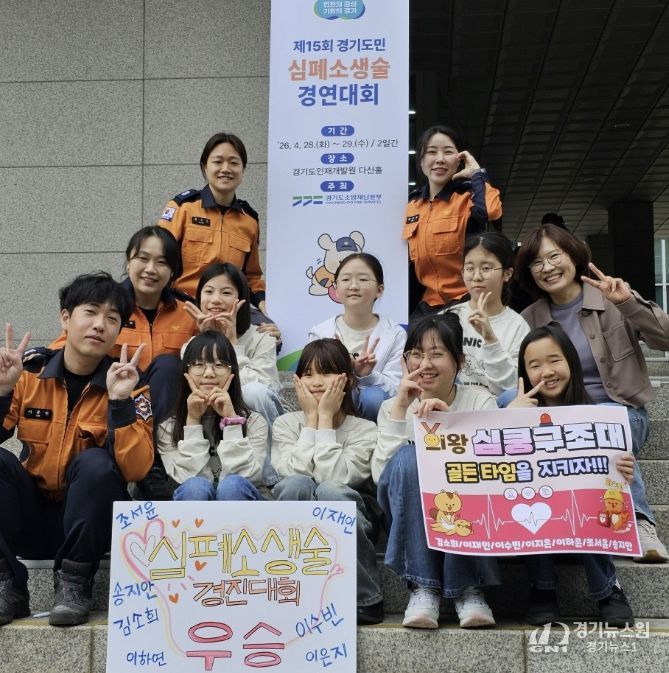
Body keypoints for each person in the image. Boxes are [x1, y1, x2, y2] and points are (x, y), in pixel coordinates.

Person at [0, 272, 153, 627]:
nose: (100, 325)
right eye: (91, 312)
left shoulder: (129, 384)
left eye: (112, 319)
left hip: (88, 528)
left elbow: (136, 470)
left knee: (97, 464)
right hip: (32, 518)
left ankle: (74, 585)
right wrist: (3, 391)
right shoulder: (29, 373)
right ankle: (7, 585)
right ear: (66, 318)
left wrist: (119, 403)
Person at [515, 222, 669, 563]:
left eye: (554, 256)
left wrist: (628, 303)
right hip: (561, 418)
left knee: (608, 427)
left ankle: (640, 522)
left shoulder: (611, 299)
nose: (547, 267)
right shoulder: (529, 319)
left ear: (574, 256)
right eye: (536, 262)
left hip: (622, 412)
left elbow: (665, 338)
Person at [375, 313, 499, 629]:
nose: (425, 364)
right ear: (404, 361)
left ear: (459, 361)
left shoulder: (480, 401)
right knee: (407, 457)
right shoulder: (392, 406)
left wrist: (449, 428)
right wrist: (401, 409)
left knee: (459, 466)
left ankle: (467, 588)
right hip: (411, 513)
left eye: (436, 354)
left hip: (467, 514)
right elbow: (381, 477)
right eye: (416, 354)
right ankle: (423, 586)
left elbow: (493, 472)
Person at [509, 323, 636, 626]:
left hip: (581, 523)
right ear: (524, 373)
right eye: (535, 365)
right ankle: (543, 588)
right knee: (531, 498)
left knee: (594, 494)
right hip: (533, 519)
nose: (547, 372)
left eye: (554, 360)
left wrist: (622, 473)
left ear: (571, 361)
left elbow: (614, 484)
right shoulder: (512, 409)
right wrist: (509, 417)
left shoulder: (598, 417)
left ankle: (608, 590)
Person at [270, 339, 383, 625]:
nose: (317, 382)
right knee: (296, 485)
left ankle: (366, 597)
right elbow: (291, 472)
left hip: (356, 515)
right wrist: (311, 420)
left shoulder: (365, 429)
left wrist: (324, 421)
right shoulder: (285, 424)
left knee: (330, 489)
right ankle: (288, 591)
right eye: (308, 374)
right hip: (300, 510)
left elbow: (335, 478)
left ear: (347, 379)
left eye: (326, 372)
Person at [157, 132, 280, 344]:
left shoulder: (249, 220)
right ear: (205, 167)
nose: (226, 169)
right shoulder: (183, 207)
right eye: (218, 162)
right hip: (185, 305)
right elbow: (159, 259)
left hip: (230, 308)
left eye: (234, 162)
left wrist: (264, 308)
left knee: (271, 338)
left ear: (243, 169)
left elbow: (251, 276)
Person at [184, 263, 284, 486]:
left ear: (242, 299)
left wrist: (231, 343)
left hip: (257, 418)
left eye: (226, 292)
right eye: (209, 291)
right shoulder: (191, 345)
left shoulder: (262, 337)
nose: (215, 300)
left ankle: (269, 476)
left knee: (254, 392)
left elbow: (263, 390)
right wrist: (207, 344)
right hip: (214, 418)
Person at [156, 331, 269, 501]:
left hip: (245, 511)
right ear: (186, 371)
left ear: (232, 371)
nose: (209, 373)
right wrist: (193, 423)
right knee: (195, 487)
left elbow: (247, 477)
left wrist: (232, 422)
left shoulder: (255, 422)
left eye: (219, 364)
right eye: (198, 364)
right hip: (193, 512)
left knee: (232, 486)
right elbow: (186, 480)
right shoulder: (168, 427)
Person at [403, 125, 502, 319]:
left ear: (459, 160)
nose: (440, 159)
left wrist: (477, 173)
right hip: (426, 304)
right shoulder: (412, 205)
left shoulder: (468, 196)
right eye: (431, 152)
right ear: (421, 161)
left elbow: (492, 211)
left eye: (448, 152)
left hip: (465, 301)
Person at [308, 253, 406, 421]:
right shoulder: (321, 333)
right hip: (332, 414)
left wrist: (367, 375)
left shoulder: (395, 334)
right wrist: (345, 369)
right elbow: (312, 382)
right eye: (346, 279)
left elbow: (396, 388)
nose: (353, 286)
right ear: (336, 289)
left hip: (377, 414)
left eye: (363, 279)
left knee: (372, 397)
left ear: (379, 290)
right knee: (346, 394)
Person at [444, 232, 529, 401]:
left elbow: (512, 387)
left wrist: (490, 339)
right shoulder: (450, 317)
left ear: (507, 274)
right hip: (453, 405)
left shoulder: (518, 326)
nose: (476, 277)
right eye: (470, 268)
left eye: (486, 268)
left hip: (497, 407)